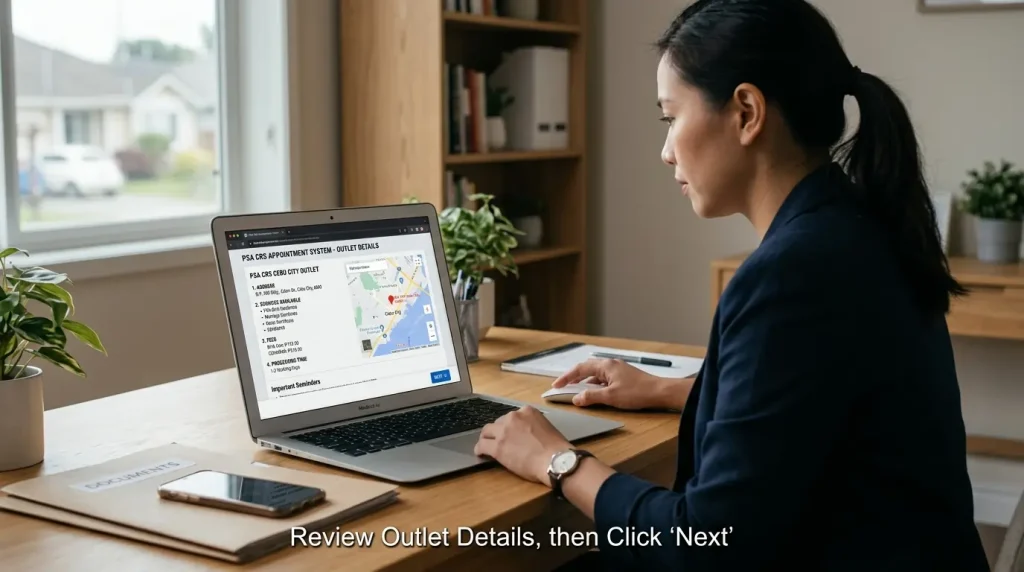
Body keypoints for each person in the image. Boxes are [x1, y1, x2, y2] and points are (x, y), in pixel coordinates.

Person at [471, 0, 991, 569]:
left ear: (746, 111)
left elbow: (706, 546)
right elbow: (817, 410)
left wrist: (558, 460)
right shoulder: (856, 226)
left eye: (671, 117)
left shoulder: (792, 274)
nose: (665, 151)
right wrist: (674, 391)